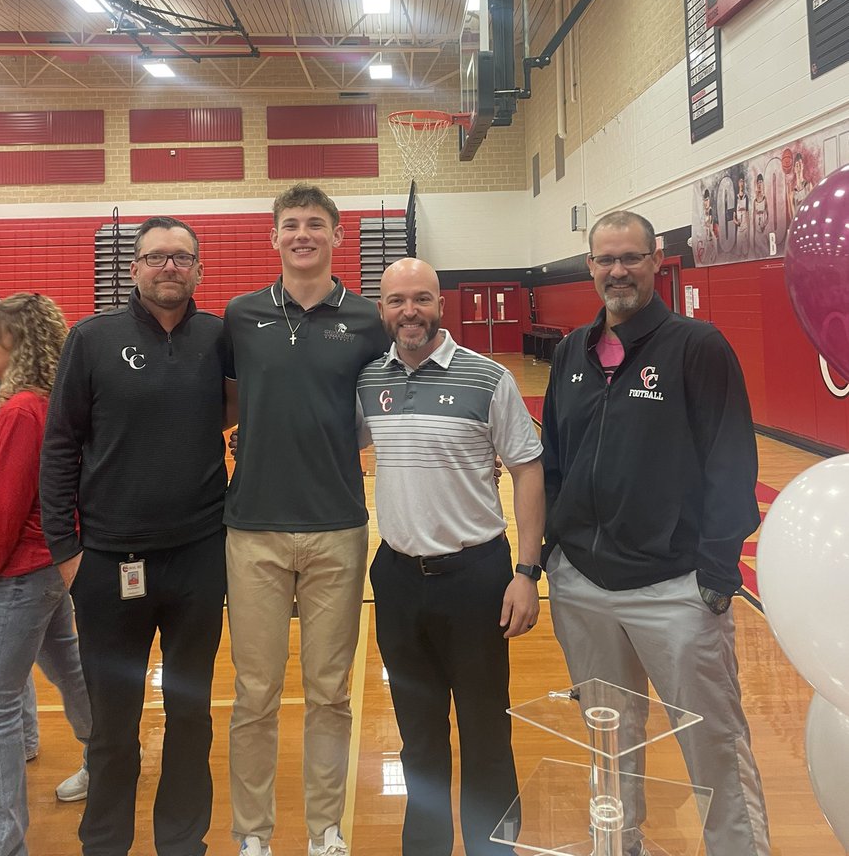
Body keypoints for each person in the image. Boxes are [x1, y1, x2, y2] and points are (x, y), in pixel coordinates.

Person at [541, 210, 770, 856]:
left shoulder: (697, 347)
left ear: (656, 263)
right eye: (605, 259)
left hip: (675, 592)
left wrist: (718, 576)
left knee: (715, 748)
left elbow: (731, 463)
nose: (617, 271)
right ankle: (619, 845)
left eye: (630, 258)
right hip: (583, 585)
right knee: (611, 738)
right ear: (589, 267)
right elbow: (553, 458)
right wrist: (555, 551)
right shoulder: (571, 353)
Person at [40, 217, 228, 856]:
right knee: (113, 728)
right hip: (108, 563)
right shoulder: (92, 339)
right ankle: (104, 844)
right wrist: (66, 554)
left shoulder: (220, 338)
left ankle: (182, 844)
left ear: (199, 269)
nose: (168, 268)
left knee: (191, 718)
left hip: (199, 560)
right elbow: (60, 446)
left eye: (181, 258)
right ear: (134, 269)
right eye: (156, 258)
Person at [357, 258, 545, 856]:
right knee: (418, 736)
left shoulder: (488, 378)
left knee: (487, 728)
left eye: (420, 299)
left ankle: (494, 848)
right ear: (381, 309)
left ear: (441, 303)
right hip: (397, 578)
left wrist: (526, 573)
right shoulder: (367, 382)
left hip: (476, 577)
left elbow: (528, 469)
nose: (409, 311)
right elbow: (327, 441)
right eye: (396, 301)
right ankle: (428, 846)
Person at [224, 184, 387, 856]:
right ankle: (253, 833)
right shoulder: (239, 315)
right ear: (273, 237)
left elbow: (388, 410)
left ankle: (324, 829)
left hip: (337, 525)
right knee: (254, 694)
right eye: (290, 224)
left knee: (330, 693)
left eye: (314, 224)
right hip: (253, 525)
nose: (302, 234)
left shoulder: (368, 320)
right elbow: (222, 405)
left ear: (337, 236)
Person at [0, 294, 92, 856]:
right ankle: (107, 760)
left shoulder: (21, 412)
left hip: (22, 574)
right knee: (69, 668)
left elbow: (3, 515)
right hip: (46, 568)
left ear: (18, 344)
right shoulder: (38, 402)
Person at [752, 173, 769, 256]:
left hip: (763, 227)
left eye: (761, 182)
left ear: (763, 184)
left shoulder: (765, 198)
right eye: (758, 182)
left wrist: (764, 224)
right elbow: (753, 215)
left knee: (764, 248)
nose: (759, 184)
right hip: (756, 227)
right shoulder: (754, 200)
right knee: (757, 249)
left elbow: (768, 215)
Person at [734, 174, 749, 258]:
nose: (741, 183)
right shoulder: (735, 199)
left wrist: (748, 226)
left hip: (745, 226)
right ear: (738, 183)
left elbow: (747, 213)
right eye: (740, 181)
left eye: (743, 181)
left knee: (745, 250)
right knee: (739, 251)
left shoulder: (746, 197)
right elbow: (734, 218)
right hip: (739, 228)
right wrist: (737, 222)